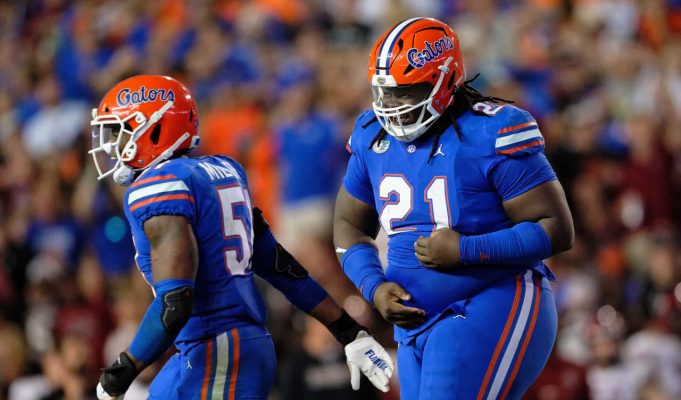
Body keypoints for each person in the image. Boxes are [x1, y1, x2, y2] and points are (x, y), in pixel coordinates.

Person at [88, 75, 394, 400]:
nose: (112, 146)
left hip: (217, 349)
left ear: (154, 129)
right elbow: (278, 265)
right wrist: (347, 330)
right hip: (224, 348)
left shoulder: (158, 186)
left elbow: (175, 301)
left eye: (119, 132)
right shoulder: (223, 170)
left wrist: (124, 369)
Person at [334, 18, 574, 400]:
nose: (392, 107)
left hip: (491, 299)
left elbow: (556, 229)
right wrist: (373, 286)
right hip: (414, 326)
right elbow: (348, 225)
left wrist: (465, 250)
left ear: (444, 81)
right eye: (386, 93)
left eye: (406, 92)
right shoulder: (371, 136)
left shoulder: (490, 131)